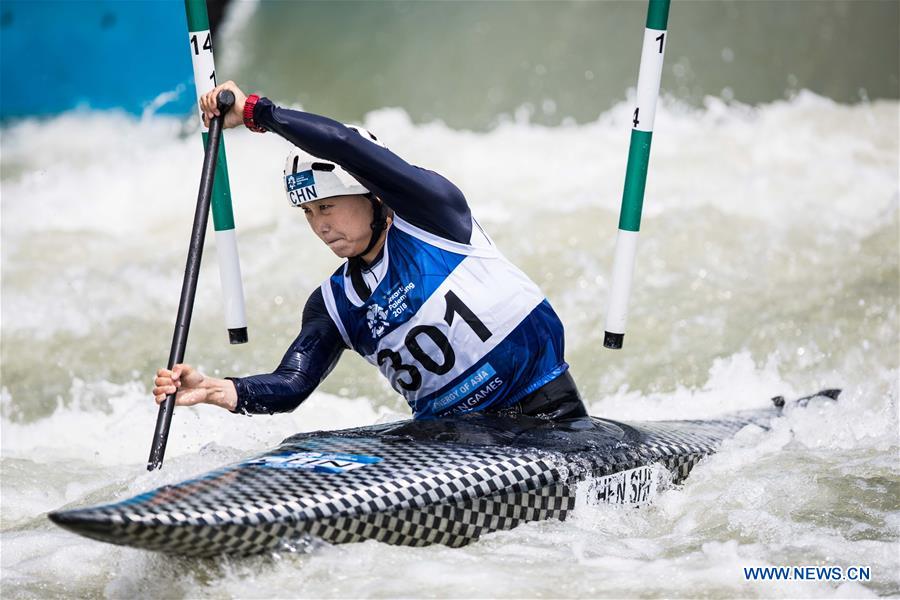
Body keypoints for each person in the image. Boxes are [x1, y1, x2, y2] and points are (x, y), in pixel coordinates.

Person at [153, 81, 587, 422]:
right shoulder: (333, 304)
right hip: (458, 442)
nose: (320, 224)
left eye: (327, 206)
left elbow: (343, 144)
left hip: (547, 411)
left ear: (374, 198)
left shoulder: (435, 216)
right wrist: (214, 389)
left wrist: (256, 112)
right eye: (308, 212)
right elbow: (292, 384)